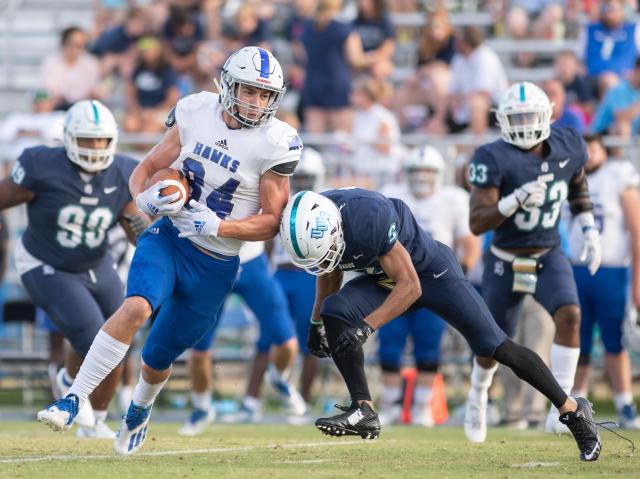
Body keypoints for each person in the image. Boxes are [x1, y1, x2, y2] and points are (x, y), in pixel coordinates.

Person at [36, 46, 301, 457]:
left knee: (157, 356)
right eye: (249, 91)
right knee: (137, 307)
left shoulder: (274, 142)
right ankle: (73, 399)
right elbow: (146, 169)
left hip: (217, 262)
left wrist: (220, 226)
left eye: (266, 95)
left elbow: (271, 221)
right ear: (229, 85)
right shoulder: (195, 110)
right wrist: (145, 201)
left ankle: (139, 409)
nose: (257, 102)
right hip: (170, 237)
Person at [279, 187, 601, 462]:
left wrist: (366, 326)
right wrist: (316, 322)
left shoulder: (368, 218)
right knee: (335, 310)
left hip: (430, 274)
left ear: (336, 228)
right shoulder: (319, 223)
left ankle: (572, 410)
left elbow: (411, 287)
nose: (323, 260)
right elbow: (329, 267)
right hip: (382, 280)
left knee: (494, 345)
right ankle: (363, 410)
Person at [0, 100, 146, 438]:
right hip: (46, 262)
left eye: (100, 140)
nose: (95, 148)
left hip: (95, 262)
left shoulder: (123, 171)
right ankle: (71, 385)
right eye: (86, 140)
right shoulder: (42, 165)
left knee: (119, 338)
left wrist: (148, 236)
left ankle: (95, 419)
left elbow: (137, 226)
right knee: (94, 335)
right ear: (67, 139)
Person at [465, 82, 602, 441]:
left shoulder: (569, 144)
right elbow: (477, 222)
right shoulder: (492, 156)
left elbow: (575, 180)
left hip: (547, 252)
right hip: (505, 259)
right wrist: (514, 201)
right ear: (503, 121)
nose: (525, 124)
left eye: (530, 116)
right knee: (491, 344)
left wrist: (587, 224)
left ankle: (564, 407)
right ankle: (478, 395)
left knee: (570, 315)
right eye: (517, 117)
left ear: (549, 114)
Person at [377, 145, 480, 426]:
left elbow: (469, 242)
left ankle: (422, 405)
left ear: (439, 174)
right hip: (395, 282)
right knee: (389, 343)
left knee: (428, 345)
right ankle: (390, 404)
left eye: (427, 171)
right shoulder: (393, 194)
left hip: (433, 282)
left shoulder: (452, 199)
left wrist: (460, 274)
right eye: (416, 171)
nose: (421, 177)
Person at [178, 239, 306, 436]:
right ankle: (202, 407)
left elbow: (269, 220)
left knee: (287, 342)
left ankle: (279, 378)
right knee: (199, 348)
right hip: (214, 262)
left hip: (251, 261)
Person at [568, 134, 640, 429]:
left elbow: (636, 230)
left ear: (603, 151)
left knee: (614, 339)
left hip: (611, 271)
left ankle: (624, 404)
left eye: (593, 149)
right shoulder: (570, 178)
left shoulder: (617, 177)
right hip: (577, 269)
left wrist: (637, 280)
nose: (589, 156)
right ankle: (575, 407)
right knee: (576, 340)